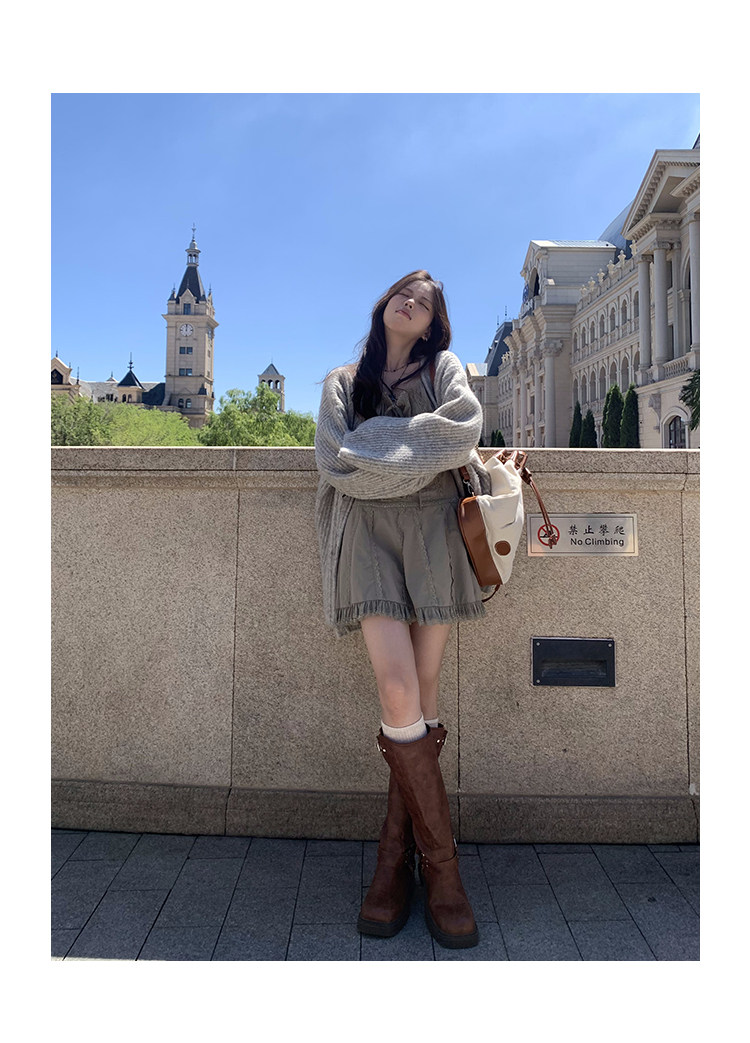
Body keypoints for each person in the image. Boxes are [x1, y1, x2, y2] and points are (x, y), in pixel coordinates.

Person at [314, 270, 493, 950]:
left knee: (421, 694)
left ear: (433, 322)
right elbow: (334, 459)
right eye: (403, 292)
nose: (411, 301)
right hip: (365, 534)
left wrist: (377, 448)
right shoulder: (341, 380)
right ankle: (443, 872)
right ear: (385, 303)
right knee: (397, 689)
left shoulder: (446, 369)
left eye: (425, 301)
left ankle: (397, 861)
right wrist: (415, 447)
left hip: (436, 530)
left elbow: (462, 432)